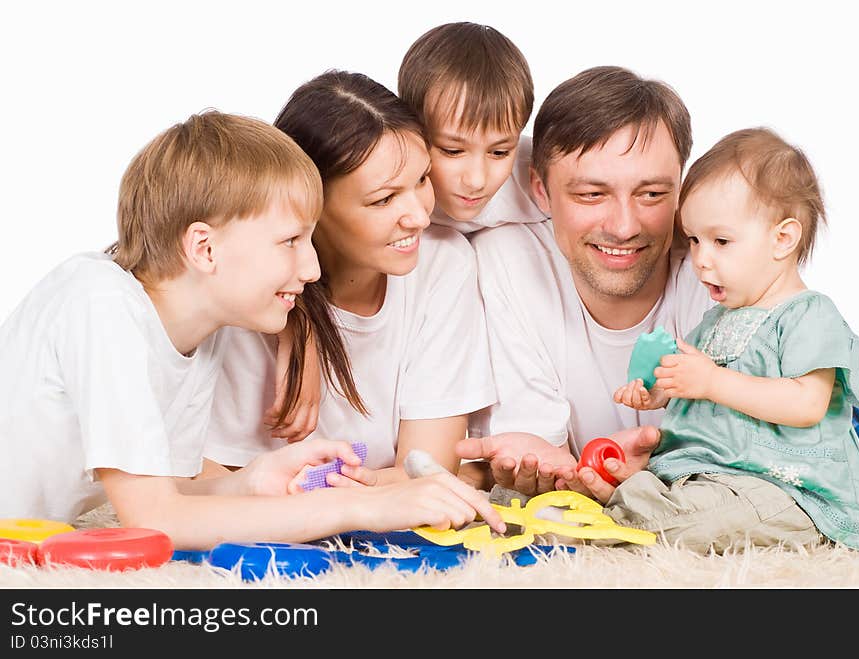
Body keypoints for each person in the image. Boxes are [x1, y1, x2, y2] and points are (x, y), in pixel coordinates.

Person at [0, 110, 505, 549]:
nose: (311, 270)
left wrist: (253, 481)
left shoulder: (199, 332)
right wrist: (364, 509)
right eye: (290, 241)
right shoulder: (101, 304)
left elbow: (168, 495)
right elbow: (155, 519)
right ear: (204, 248)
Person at [457, 66, 859, 500]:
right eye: (591, 194)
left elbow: (768, 434)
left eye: (652, 195)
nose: (623, 227)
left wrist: (658, 469)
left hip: (781, 440)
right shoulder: (504, 259)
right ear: (540, 190)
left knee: (853, 430)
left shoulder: (717, 266)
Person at [203, 71, 498, 484]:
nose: (419, 216)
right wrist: (302, 320)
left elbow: (429, 468)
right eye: (384, 199)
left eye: (422, 179)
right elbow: (227, 481)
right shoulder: (249, 296)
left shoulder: (442, 264)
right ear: (312, 205)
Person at [606, 127, 859, 551]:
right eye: (693, 239)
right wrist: (663, 393)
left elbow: (807, 404)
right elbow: (699, 392)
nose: (700, 258)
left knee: (697, 524)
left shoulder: (809, 314)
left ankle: (640, 516)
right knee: (650, 489)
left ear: (783, 239)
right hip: (708, 472)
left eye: (721, 241)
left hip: (784, 488)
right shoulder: (714, 321)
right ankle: (635, 506)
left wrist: (711, 381)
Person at [397, 21, 547, 234]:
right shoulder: (385, 185)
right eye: (453, 151)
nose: (476, 181)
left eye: (499, 152)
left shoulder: (542, 180)